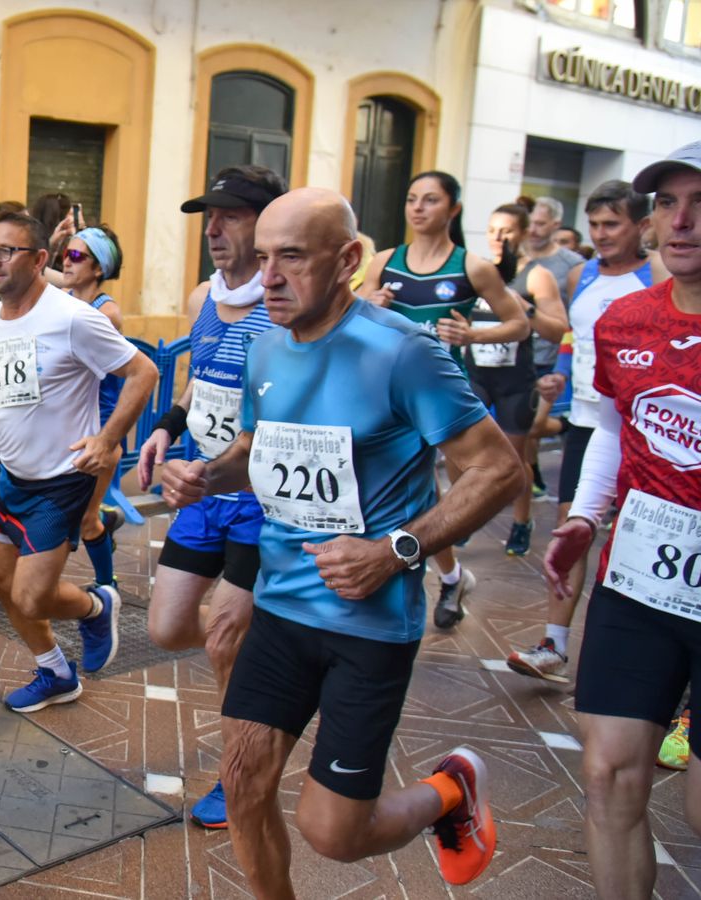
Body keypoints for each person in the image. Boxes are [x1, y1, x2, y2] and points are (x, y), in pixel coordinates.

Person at [159, 187, 524, 895]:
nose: (267, 277)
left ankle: (451, 791)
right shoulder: (265, 351)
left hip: (369, 624)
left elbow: (497, 468)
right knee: (242, 784)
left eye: (291, 257)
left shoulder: (401, 353)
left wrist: (397, 552)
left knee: (335, 833)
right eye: (263, 258)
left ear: (348, 259)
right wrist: (206, 474)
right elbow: (253, 447)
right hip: (281, 606)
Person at [540, 142, 701, 900]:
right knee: (608, 775)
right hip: (638, 579)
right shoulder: (626, 320)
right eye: (668, 203)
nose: (683, 221)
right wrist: (581, 518)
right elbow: (610, 424)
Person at [0, 211, 158, 712]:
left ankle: (96, 605)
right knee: (0, 583)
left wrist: (107, 439)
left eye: (5, 251)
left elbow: (143, 371)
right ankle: (56, 672)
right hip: (7, 475)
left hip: (60, 481)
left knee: (32, 597)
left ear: (40, 259)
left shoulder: (73, 317)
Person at [135, 165, 286, 829]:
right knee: (167, 627)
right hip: (203, 487)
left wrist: (220, 467)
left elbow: (273, 418)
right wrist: (168, 427)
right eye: (208, 217)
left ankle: (239, 776)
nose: (215, 230)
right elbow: (202, 379)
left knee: (225, 639)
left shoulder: (282, 305)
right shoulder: (206, 294)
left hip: (260, 496)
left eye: (232, 215)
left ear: (269, 221)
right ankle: (268, 645)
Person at [508, 180, 668, 685]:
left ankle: (664, 676)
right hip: (588, 422)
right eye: (594, 224)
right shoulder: (583, 274)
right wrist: (559, 374)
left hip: (647, 432)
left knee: (645, 541)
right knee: (571, 528)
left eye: (612, 224)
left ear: (641, 226)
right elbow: (577, 337)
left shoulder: (656, 273)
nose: (600, 234)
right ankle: (553, 644)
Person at [359, 171, 529, 630]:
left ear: (452, 209)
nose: (417, 208)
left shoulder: (471, 267)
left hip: (440, 398)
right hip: (384, 394)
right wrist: (366, 301)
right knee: (413, 491)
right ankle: (447, 577)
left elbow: (519, 324)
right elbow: (350, 312)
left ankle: (407, 578)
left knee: (424, 493)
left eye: (430, 200)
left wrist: (473, 333)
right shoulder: (386, 261)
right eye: (412, 198)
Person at [477, 203, 568, 556]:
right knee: (459, 453)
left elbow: (557, 329)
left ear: (524, 233)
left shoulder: (535, 275)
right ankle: (461, 519)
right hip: (478, 374)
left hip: (516, 380)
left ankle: (521, 520)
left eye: (507, 231)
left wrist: (524, 308)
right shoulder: (478, 271)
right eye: (491, 231)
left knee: (516, 460)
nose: (498, 239)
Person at [61, 223, 128, 588]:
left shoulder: (105, 313)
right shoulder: (70, 299)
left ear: (98, 268)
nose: (67, 263)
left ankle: (109, 586)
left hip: (99, 433)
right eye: (64, 256)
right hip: (71, 426)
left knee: (84, 522)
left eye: (75, 256)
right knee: (69, 517)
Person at [520, 196, 585, 498]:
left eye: (541, 224)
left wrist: (565, 364)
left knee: (531, 428)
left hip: (550, 356)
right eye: (531, 222)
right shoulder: (514, 258)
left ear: (556, 225)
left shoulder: (571, 265)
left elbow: (576, 319)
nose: (533, 229)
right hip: (517, 359)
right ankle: (533, 482)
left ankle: (568, 426)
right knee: (522, 431)